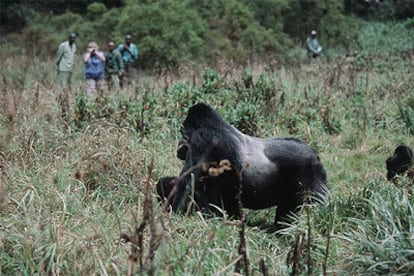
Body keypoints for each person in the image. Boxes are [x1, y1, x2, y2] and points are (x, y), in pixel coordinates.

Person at [56, 32, 77, 121]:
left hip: (70, 69)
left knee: (69, 87)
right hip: (63, 69)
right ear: (68, 38)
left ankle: (68, 99)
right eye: (71, 38)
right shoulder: (63, 45)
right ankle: (62, 100)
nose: (72, 39)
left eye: (74, 38)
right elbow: (58, 57)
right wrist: (58, 67)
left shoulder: (74, 47)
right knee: (63, 87)